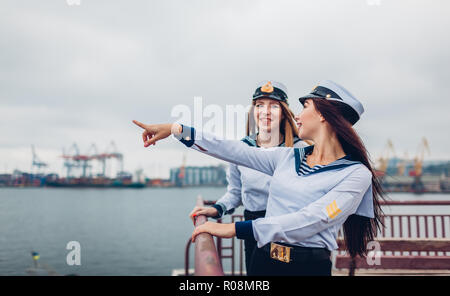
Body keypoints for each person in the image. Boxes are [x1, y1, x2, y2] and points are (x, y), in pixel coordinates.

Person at [132, 80, 385, 276]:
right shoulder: (286, 158)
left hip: (307, 268)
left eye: (305, 106)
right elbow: (234, 150)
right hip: (264, 259)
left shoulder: (355, 174)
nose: (297, 115)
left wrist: (233, 228)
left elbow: (313, 219)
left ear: (323, 114)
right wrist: (176, 129)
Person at [188, 81, 308, 275]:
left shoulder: (300, 149)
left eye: (274, 106)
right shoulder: (241, 149)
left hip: (288, 229)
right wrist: (216, 209)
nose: (265, 111)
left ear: (284, 112)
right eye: (260, 105)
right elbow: (236, 192)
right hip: (252, 228)